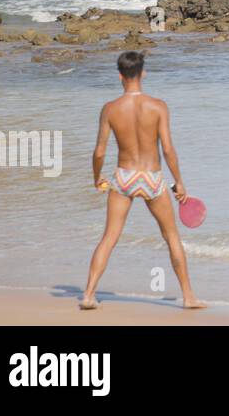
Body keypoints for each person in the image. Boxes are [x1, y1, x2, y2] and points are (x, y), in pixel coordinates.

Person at [81, 51, 204, 310]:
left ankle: (89, 295)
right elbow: (168, 149)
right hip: (152, 178)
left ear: (119, 76)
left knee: (109, 237)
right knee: (171, 236)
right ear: (143, 73)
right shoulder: (158, 106)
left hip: (124, 177)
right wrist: (179, 182)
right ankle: (189, 297)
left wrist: (96, 178)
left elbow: (100, 151)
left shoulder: (110, 109)